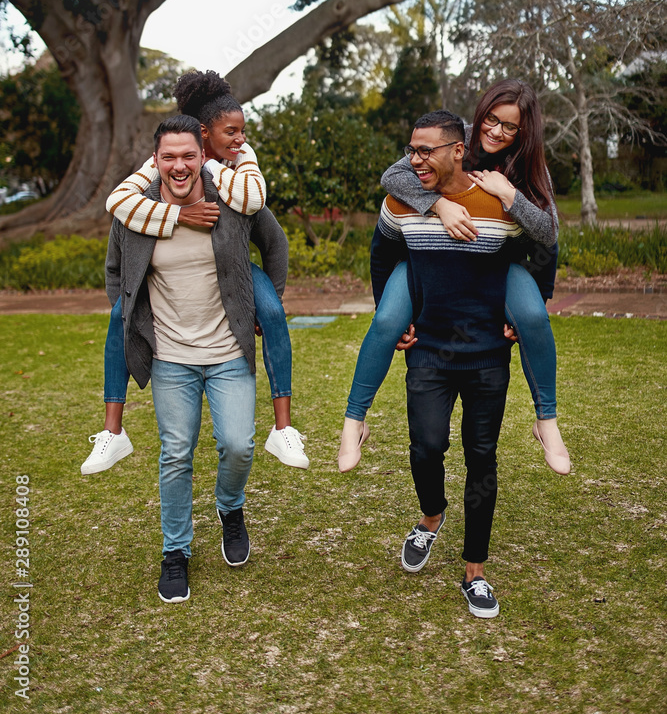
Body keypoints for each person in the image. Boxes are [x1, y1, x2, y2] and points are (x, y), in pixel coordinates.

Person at [338, 78, 569, 476]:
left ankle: (546, 420)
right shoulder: (454, 136)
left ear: (524, 131)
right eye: (491, 120)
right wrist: (438, 205)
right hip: (428, 258)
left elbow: (549, 234)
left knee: (532, 318)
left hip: (497, 262)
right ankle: (354, 420)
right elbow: (393, 178)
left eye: (509, 126)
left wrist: (509, 194)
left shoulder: (530, 166)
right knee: (387, 321)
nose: (496, 131)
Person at [81, 71, 308, 476]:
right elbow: (118, 205)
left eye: (242, 132)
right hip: (173, 314)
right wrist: (182, 216)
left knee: (272, 314)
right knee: (120, 316)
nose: (239, 139)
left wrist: (262, 297)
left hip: (236, 271)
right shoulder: (163, 166)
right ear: (205, 134)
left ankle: (284, 426)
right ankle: (112, 431)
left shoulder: (237, 169)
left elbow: (270, 233)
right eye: (231, 132)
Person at [106, 114, 289, 602]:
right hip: (170, 357)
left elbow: (275, 247)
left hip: (229, 351)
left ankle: (230, 507)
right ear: (156, 161)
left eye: (189, 155)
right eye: (169, 156)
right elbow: (115, 273)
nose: (180, 165)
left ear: (203, 156)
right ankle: (176, 551)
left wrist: (263, 306)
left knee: (238, 445)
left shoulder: (231, 201)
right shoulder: (136, 213)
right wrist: (132, 322)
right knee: (176, 454)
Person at [371, 109, 537, 618]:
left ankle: (475, 573)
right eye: (412, 149)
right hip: (428, 351)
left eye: (426, 150)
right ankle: (431, 518)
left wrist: (523, 312)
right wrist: (393, 315)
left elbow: (540, 249)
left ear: (458, 149)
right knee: (426, 446)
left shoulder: (500, 198)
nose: (415, 159)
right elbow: (381, 256)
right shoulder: (402, 199)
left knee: (480, 458)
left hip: (488, 354)